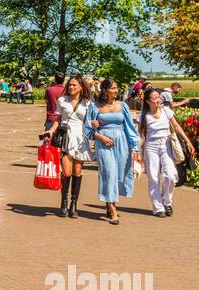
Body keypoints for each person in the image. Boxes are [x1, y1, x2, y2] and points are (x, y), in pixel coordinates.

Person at [83, 79, 140, 225]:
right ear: (105, 90)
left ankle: (109, 204)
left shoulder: (123, 106)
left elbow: (130, 128)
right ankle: (113, 211)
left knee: (120, 174)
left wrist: (135, 147)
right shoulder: (95, 107)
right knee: (109, 173)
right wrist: (99, 134)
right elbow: (87, 129)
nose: (116, 91)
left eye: (117, 88)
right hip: (103, 144)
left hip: (122, 143)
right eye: (113, 88)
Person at [139, 88, 194, 218]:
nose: (158, 99)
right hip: (151, 147)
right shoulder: (144, 116)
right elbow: (141, 136)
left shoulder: (166, 111)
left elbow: (176, 126)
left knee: (170, 175)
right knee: (153, 177)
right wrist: (137, 153)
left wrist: (188, 141)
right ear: (148, 101)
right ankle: (158, 207)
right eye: (155, 98)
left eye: (159, 97)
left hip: (166, 145)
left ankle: (166, 201)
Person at [43, 77, 93, 219]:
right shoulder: (62, 100)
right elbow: (57, 120)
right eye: (69, 85)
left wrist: (95, 125)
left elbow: (89, 121)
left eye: (74, 85)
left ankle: (73, 204)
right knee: (66, 172)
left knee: (77, 172)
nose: (71, 87)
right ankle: (63, 202)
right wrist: (51, 131)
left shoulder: (87, 103)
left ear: (81, 87)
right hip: (66, 136)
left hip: (80, 138)